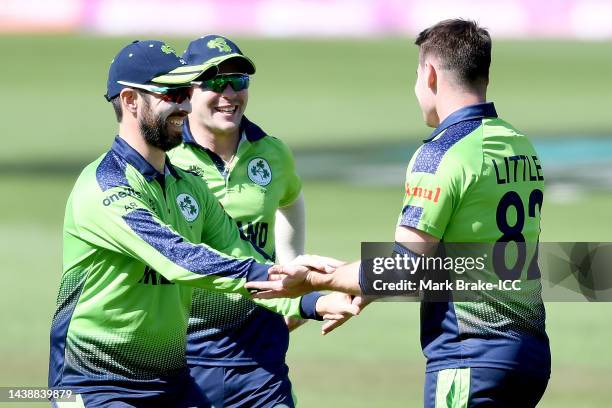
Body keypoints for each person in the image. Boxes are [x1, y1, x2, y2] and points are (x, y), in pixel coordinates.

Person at [247, 19, 551, 407]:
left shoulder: (442, 153)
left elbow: (405, 269)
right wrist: (360, 288)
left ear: (430, 75)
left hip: (470, 356)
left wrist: (316, 280)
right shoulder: (518, 143)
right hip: (529, 355)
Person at [48, 39, 358, 408]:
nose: (184, 104)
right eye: (173, 93)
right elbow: (179, 258)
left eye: (185, 92)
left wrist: (313, 300)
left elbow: (242, 255)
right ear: (131, 101)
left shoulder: (188, 187)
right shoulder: (105, 188)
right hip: (96, 384)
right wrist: (311, 279)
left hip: (170, 384)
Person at [167, 34, 316, 408]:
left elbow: (292, 199)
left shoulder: (272, 151)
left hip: (259, 351)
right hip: (183, 353)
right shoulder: (165, 157)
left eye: (240, 82)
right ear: (188, 90)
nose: (230, 93)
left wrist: (290, 264)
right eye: (216, 83)